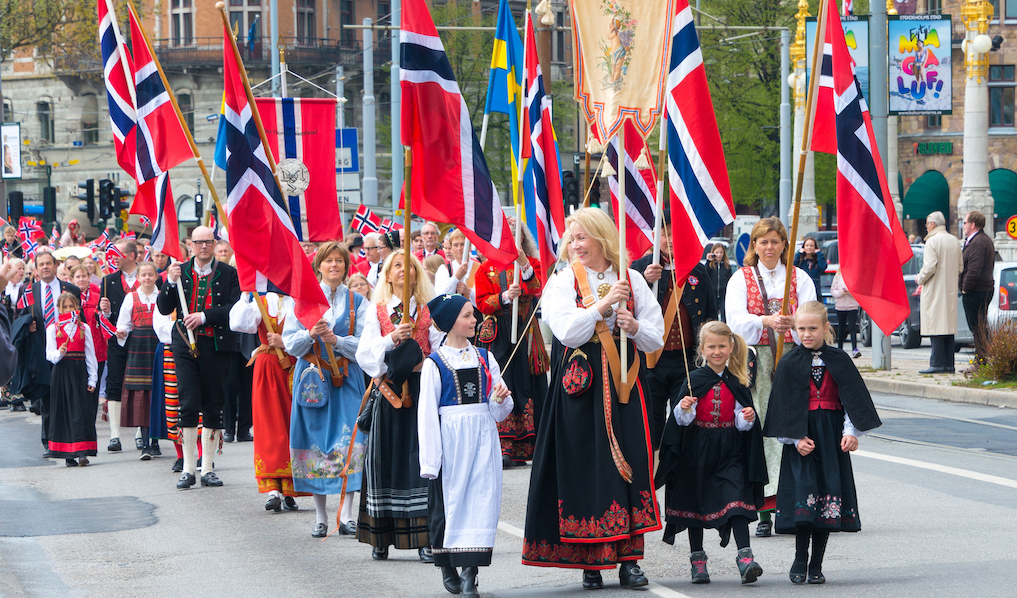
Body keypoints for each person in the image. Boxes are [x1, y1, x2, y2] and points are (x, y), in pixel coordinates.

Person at [522, 208, 664, 589]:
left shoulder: (631, 279)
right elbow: (566, 330)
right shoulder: (564, 280)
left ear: (602, 238)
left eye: (582, 237)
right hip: (580, 388)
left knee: (629, 462)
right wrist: (602, 306)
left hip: (625, 384)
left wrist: (634, 326)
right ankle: (591, 559)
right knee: (585, 465)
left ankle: (629, 560)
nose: (575, 245)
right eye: (572, 238)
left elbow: (656, 337)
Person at [764, 301, 881, 585]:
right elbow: (782, 407)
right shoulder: (789, 362)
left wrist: (851, 432)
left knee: (826, 501)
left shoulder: (839, 359)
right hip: (803, 441)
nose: (806, 334)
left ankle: (816, 563)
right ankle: (800, 557)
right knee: (806, 502)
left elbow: (851, 399)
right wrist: (793, 438)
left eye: (812, 328)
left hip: (831, 438)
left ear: (826, 328)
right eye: (801, 328)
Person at [655, 321, 767, 585]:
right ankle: (698, 561)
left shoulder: (738, 381)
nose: (717, 351)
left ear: (730, 348)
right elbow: (680, 423)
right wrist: (683, 407)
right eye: (711, 347)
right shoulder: (693, 381)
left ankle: (745, 558)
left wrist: (748, 417)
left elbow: (743, 423)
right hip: (696, 450)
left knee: (737, 500)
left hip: (729, 451)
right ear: (702, 350)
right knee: (696, 504)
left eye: (721, 346)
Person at [725, 217, 816, 537]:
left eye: (775, 241)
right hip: (757, 363)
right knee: (761, 428)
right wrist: (765, 320)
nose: (769, 247)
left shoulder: (799, 277)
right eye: (763, 241)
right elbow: (734, 320)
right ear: (754, 246)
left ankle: (792, 505)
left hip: (792, 358)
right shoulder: (741, 278)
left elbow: (812, 316)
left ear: (784, 245)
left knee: (794, 425)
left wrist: (793, 324)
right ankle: (763, 512)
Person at [418, 293, 513, 598]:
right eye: (468, 316)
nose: (475, 321)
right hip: (452, 440)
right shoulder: (435, 363)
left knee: (481, 501)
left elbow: (499, 410)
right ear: (450, 323)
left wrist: (500, 398)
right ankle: (446, 562)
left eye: (473, 315)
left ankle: (470, 573)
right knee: (449, 502)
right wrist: (431, 460)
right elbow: (427, 416)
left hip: (483, 437)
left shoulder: (485, 358)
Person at [355, 251, 442, 562]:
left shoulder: (428, 312)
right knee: (384, 461)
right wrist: (391, 338)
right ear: (388, 275)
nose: (404, 271)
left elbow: (440, 348)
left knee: (421, 461)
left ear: (418, 275)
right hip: (389, 391)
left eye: (410, 267)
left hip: (421, 390)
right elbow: (365, 356)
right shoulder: (377, 311)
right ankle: (381, 535)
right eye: (397, 266)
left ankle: (423, 539)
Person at [282, 243, 368, 536]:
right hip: (312, 381)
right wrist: (310, 333)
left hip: (347, 378)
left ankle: (347, 514)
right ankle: (320, 516)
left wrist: (338, 341)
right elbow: (290, 344)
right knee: (315, 442)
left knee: (352, 442)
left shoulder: (358, 302)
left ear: (346, 266)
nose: (334, 266)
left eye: (339, 261)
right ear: (318, 265)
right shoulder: (302, 302)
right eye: (329, 261)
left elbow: (366, 345)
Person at [157, 226, 241, 489]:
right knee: (189, 403)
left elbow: (235, 307)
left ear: (215, 244)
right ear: (190, 245)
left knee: (214, 404)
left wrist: (205, 316)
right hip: (184, 345)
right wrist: (170, 283)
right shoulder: (178, 271)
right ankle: (188, 468)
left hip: (215, 345)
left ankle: (208, 468)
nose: (203, 247)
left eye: (208, 242)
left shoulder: (228, 273)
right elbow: (163, 307)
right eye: (198, 242)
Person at [634, 220, 717, 453]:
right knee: (651, 419)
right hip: (650, 359)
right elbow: (625, 307)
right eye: (665, 234)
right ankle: (650, 474)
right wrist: (644, 278)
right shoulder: (640, 267)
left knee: (686, 417)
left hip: (687, 360)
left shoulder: (697, 270)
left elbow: (710, 315)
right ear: (654, 236)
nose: (670, 240)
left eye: (675, 234)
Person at [474, 222, 547, 466]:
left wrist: (522, 262)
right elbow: (482, 303)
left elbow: (536, 286)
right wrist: (505, 296)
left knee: (527, 382)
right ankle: (503, 444)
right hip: (499, 332)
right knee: (501, 380)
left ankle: (529, 444)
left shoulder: (532, 264)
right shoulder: (485, 268)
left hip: (525, 329)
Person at [231, 289, 304, 513]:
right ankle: (273, 489)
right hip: (268, 367)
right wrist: (245, 296)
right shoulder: (260, 302)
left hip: (295, 366)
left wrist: (288, 341)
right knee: (269, 425)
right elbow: (238, 323)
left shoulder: (298, 302)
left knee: (294, 425)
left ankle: (291, 488)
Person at [15, 250, 80, 450]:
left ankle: (71, 440)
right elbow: (19, 318)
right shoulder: (28, 291)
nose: (45, 267)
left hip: (68, 352)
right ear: (35, 268)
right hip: (41, 352)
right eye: (41, 264)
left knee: (69, 398)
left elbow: (80, 319)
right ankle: (48, 442)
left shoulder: (70, 289)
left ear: (54, 265)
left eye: (48, 263)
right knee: (47, 398)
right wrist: (28, 325)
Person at [99, 239, 144, 452]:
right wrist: (106, 312)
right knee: (114, 382)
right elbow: (104, 318)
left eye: (119, 252)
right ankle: (115, 435)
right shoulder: (109, 281)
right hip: (118, 340)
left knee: (141, 384)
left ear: (132, 256)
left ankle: (140, 432)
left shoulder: (146, 277)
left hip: (144, 340)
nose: (114, 256)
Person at [114, 262, 161, 460]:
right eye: (144, 275)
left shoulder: (162, 297)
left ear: (156, 276)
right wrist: (123, 331)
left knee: (158, 392)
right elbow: (123, 323)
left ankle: (156, 440)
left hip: (158, 346)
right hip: (138, 348)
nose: (147, 278)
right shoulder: (130, 297)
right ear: (139, 278)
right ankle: (145, 443)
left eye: (151, 274)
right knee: (142, 396)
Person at [45, 292, 98, 467]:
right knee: (65, 412)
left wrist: (93, 378)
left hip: (79, 371)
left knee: (81, 411)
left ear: (77, 308)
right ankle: (68, 453)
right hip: (62, 373)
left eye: (71, 306)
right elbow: (50, 355)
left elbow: (90, 354)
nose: (68, 310)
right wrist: (59, 353)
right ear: (59, 309)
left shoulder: (84, 328)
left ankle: (82, 452)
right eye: (65, 307)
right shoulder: (53, 329)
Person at [915, 211, 962, 374]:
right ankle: (949, 363)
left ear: (932, 224)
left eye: (927, 224)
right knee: (947, 327)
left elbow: (929, 267)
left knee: (935, 326)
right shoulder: (954, 241)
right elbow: (960, 267)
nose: (926, 227)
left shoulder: (932, 242)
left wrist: (919, 278)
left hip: (935, 289)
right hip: (949, 289)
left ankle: (937, 362)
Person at [71, 265, 107, 434]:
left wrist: (106, 311)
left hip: (97, 352)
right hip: (75, 354)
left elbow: (105, 324)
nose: (81, 279)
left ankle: (89, 431)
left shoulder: (98, 297)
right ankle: (78, 432)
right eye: (77, 276)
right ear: (71, 279)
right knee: (77, 395)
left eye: (84, 276)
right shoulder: (68, 301)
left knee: (92, 393)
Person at [960, 211, 995, 366]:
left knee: (978, 327)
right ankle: (981, 360)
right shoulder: (978, 240)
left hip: (977, 290)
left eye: (965, 222)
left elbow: (974, 269)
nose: (963, 225)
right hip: (980, 289)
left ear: (973, 225)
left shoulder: (978, 242)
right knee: (978, 327)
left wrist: (965, 288)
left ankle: (981, 362)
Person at [433, 229, 480, 301]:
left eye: (463, 244)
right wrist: (455, 278)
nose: (459, 248)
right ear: (451, 248)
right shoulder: (445, 269)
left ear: (470, 247)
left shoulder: (479, 268)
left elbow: (484, 300)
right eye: (455, 245)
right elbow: (439, 296)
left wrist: (469, 292)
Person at [829, 271, 861, 358]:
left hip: (852, 305)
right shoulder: (838, 275)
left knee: (852, 327)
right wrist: (841, 292)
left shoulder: (854, 275)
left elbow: (858, 290)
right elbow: (833, 291)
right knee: (841, 328)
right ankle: (840, 349)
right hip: (840, 306)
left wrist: (849, 291)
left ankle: (855, 349)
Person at [793, 237, 826, 301]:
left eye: (811, 246)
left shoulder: (817, 260)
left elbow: (822, 267)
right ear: (803, 247)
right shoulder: (800, 260)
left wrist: (819, 254)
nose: (809, 247)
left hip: (816, 291)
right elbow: (792, 266)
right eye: (807, 245)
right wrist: (798, 254)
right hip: (802, 291)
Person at [705, 244, 733, 321]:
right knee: (713, 316)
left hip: (723, 295)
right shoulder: (710, 265)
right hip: (712, 295)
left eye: (721, 252)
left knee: (724, 315)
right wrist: (708, 261)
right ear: (713, 253)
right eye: (717, 252)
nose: (719, 255)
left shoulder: (727, 266)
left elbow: (729, 280)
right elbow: (705, 275)